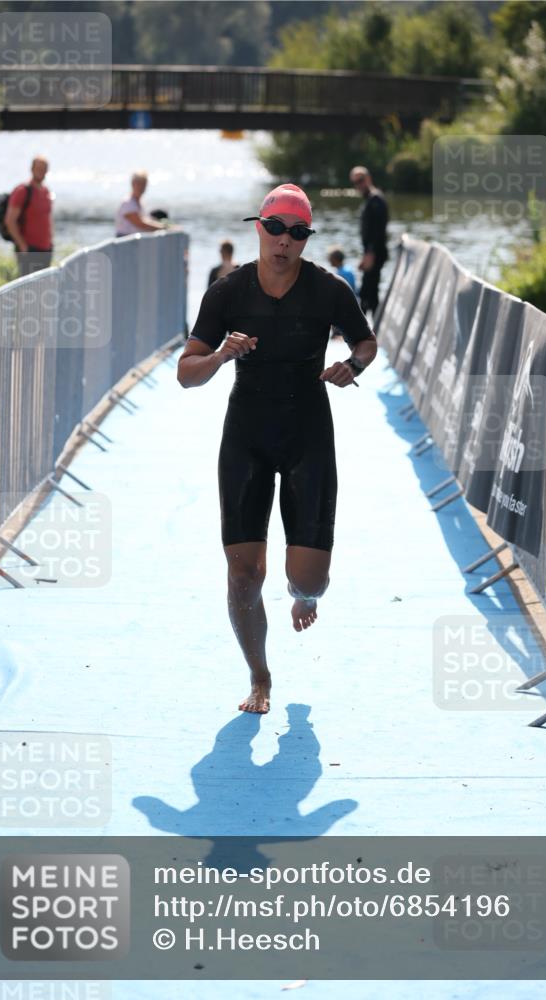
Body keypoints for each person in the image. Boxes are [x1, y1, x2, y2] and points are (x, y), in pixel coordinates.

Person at [177, 183, 377, 715]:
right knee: (244, 575)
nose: (284, 240)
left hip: (308, 434)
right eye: (274, 228)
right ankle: (260, 676)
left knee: (309, 578)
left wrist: (352, 365)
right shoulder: (228, 292)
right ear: (259, 229)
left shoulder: (329, 290)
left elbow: (366, 340)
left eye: (297, 232)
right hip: (247, 435)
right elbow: (185, 373)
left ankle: (304, 595)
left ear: (307, 239)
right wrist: (220, 356)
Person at [349, 165, 389, 317]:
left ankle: (363, 326)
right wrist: (366, 254)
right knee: (371, 293)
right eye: (355, 182)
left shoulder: (376, 199)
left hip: (376, 254)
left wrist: (370, 254)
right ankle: (374, 325)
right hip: (371, 253)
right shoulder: (370, 200)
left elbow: (378, 230)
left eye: (361, 180)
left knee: (367, 292)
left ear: (368, 178)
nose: (358, 185)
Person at [5, 156, 54, 277]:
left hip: (46, 249)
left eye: (44, 169)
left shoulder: (46, 191)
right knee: (30, 287)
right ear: (32, 169)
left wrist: (51, 242)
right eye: (38, 168)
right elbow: (10, 221)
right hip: (29, 250)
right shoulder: (22, 190)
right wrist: (23, 246)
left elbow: (47, 218)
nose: (41, 172)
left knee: (44, 284)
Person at [115, 171, 168, 237]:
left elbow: (145, 220)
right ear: (133, 184)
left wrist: (165, 225)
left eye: (143, 184)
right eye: (139, 184)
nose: (141, 187)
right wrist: (164, 227)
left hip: (136, 239)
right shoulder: (128, 203)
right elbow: (141, 224)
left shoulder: (140, 202)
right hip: (124, 239)